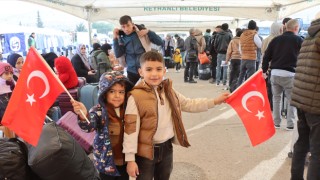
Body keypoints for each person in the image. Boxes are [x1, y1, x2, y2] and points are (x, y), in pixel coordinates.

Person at [123, 51, 230, 179]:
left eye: (158, 69)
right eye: (149, 69)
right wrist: (130, 159)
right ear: (141, 72)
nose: (154, 74)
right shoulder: (135, 97)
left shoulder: (169, 91)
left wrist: (214, 101)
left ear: (164, 71)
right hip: (144, 152)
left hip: (166, 148)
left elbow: (189, 104)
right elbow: (130, 130)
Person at [72, 71, 134, 180]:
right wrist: (83, 115)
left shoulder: (128, 109)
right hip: (105, 161)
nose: (117, 96)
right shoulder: (98, 111)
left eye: (121, 92)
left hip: (124, 160)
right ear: (104, 93)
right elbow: (89, 125)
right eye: (112, 91)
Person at [290, 12, 320, 180]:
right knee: (317, 152)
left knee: (302, 144)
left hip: (302, 99)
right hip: (316, 102)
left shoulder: (309, 36)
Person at [262, 19, 303, 130]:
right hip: (290, 74)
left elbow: (266, 56)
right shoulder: (299, 40)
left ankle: (276, 123)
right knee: (291, 100)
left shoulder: (275, 40)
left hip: (275, 73)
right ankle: (290, 124)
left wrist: (264, 70)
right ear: (296, 28)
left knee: (276, 98)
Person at [113, 15, 163, 85]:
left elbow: (160, 42)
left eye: (128, 25)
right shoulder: (122, 38)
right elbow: (118, 53)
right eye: (123, 27)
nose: (126, 29)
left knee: (147, 92)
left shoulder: (142, 33)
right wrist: (115, 38)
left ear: (132, 24)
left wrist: (149, 32)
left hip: (145, 69)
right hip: (131, 71)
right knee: (132, 92)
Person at [237, 20, 262, 87]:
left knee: (241, 75)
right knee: (250, 77)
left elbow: (240, 47)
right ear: (255, 27)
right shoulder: (254, 35)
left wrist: (243, 54)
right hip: (251, 59)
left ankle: (237, 89)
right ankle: (248, 90)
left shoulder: (242, 34)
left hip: (243, 58)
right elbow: (260, 45)